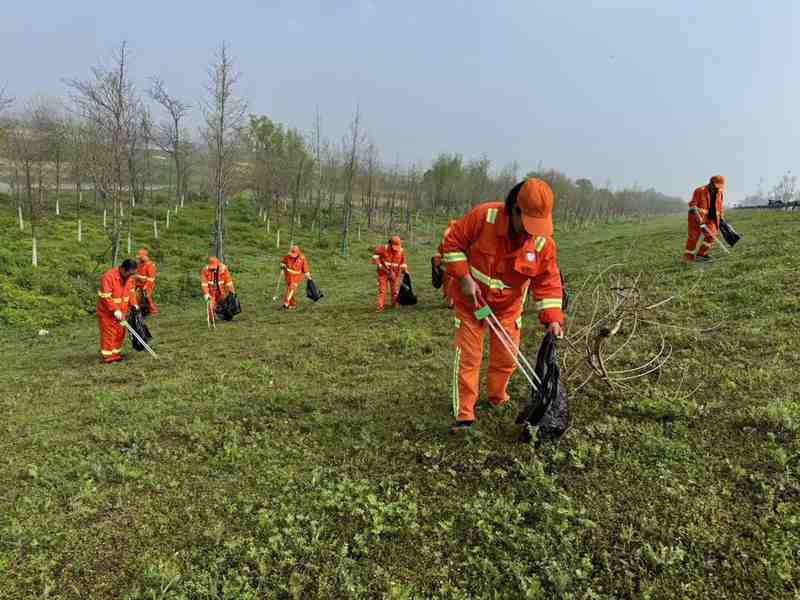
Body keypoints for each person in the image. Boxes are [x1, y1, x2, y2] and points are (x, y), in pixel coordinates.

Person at [440, 178, 565, 433]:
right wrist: (464, 277)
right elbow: (452, 243)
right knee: (469, 358)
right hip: (471, 304)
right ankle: (465, 414)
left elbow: (548, 281)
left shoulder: (542, 243)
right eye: (529, 224)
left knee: (506, 358)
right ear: (515, 210)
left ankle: (497, 397)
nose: (532, 232)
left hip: (508, 310)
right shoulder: (484, 217)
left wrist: (553, 318)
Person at [97, 258, 139, 363]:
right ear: (123, 269)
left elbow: (131, 291)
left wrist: (134, 304)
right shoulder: (108, 277)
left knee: (120, 333)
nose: (131, 276)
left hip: (122, 311)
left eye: (133, 274)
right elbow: (106, 296)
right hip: (107, 313)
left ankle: (115, 354)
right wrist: (115, 310)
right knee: (109, 334)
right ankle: (108, 357)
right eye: (130, 273)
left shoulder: (129, 278)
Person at [684, 175, 725, 263]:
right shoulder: (700, 190)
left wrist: (721, 216)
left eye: (719, 186)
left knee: (712, 235)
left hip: (711, 218)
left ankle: (701, 255)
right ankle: (688, 258)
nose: (717, 188)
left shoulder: (720, 192)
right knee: (693, 237)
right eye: (716, 186)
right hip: (696, 217)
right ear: (711, 183)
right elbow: (692, 204)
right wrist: (696, 212)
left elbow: (720, 205)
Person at [371, 235, 409, 312]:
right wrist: (379, 264)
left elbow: (403, 262)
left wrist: (405, 270)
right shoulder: (383, 248)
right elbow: (375, 256)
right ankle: (380, 307)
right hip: (383, 273)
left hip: (395, 273)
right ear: (390, 244)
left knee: (395, 290)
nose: (395, 249)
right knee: (382, 290)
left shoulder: (401, 251)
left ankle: (394, 305)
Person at [280, 245, 312, 309]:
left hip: (297, 276)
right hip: (288, 276)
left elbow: (306, 269)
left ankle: (286, 303)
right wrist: (282, 265)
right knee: (290, 289)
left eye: (294, 254)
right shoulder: (287, 257)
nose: (292, 255)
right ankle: (292, 305)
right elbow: (282, 262)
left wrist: (309, 278)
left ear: (298, 253)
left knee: (292, 288)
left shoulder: (302, 258)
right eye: (292, 253)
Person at [134, 248, 158, 315]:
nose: (139, 259)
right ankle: (137, 308)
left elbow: (151, 279)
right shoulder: (140, 264)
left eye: (141, 257)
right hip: (138, 283)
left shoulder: (150, 265)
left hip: (147, 284)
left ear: (145, 256)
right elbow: (137, 272)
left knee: (146, 296)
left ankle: (152, 310)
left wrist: (139, 277)